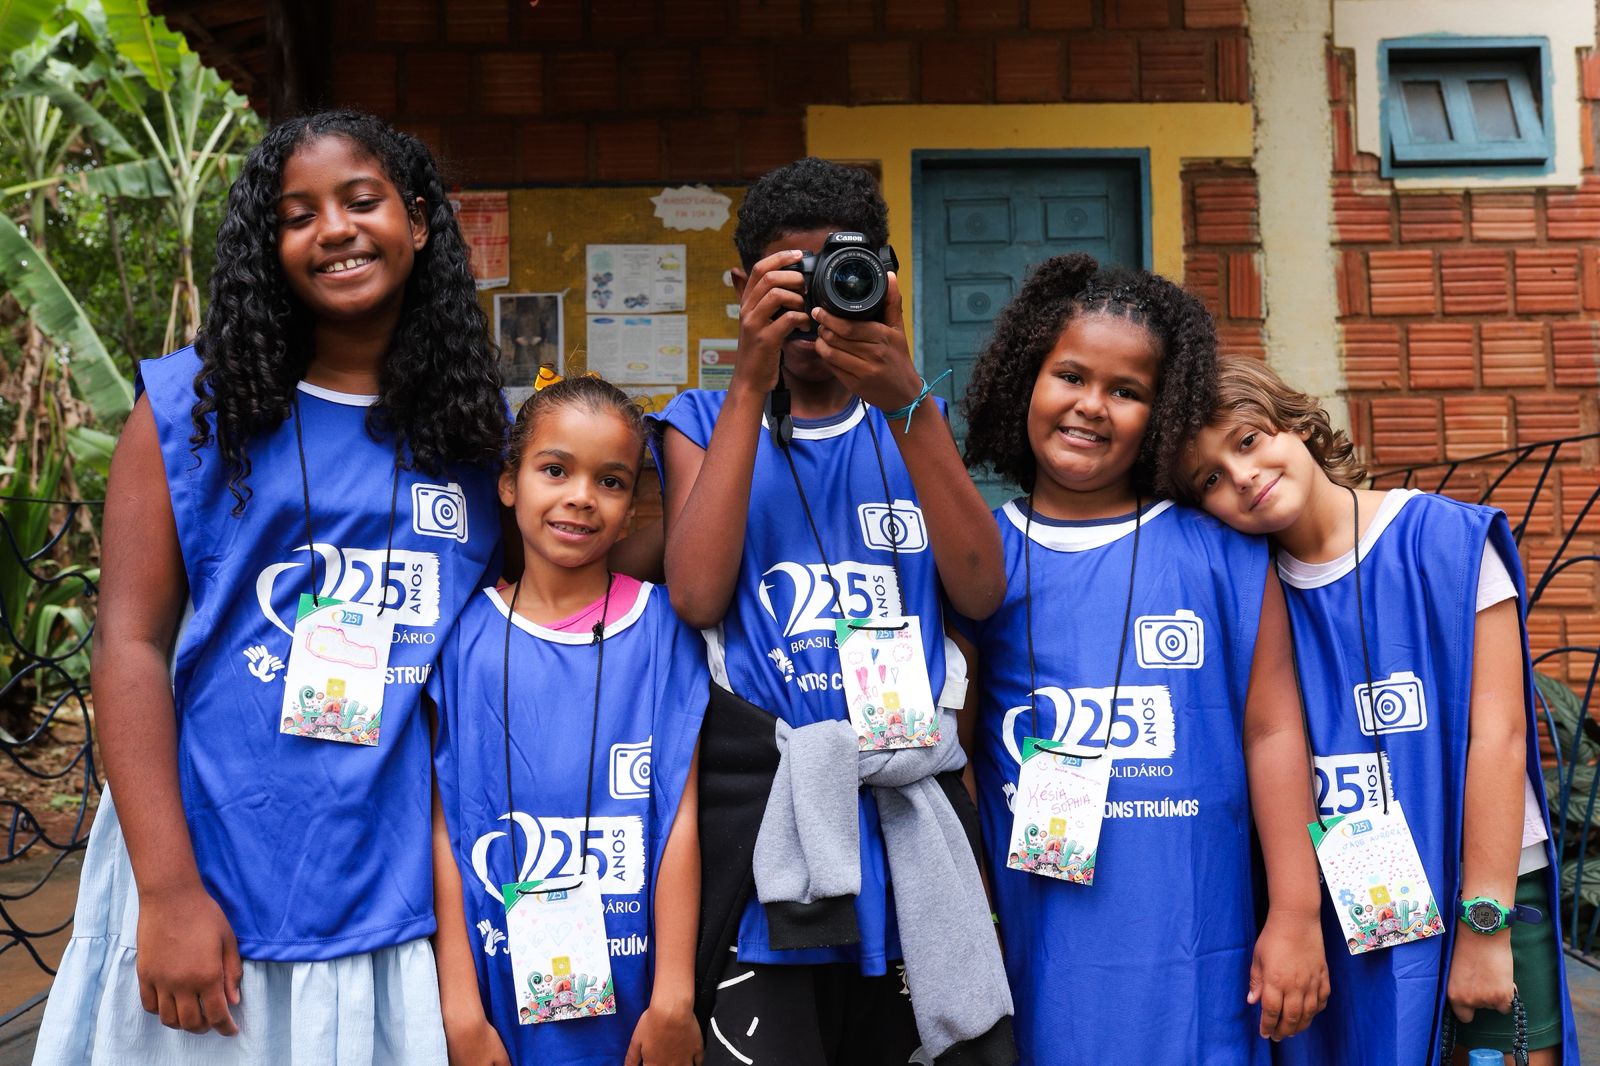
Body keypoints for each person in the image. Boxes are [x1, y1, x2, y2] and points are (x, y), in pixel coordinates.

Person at [33, 111, 507, 1065]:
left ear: (419, 222)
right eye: (298, 215)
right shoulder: (191, 412)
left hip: (390, 886)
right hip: (209, 875)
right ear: (269, 247)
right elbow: (127, 645)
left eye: (362, 201)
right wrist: (168, 893)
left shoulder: (478, 435)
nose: (334, 230)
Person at [652, 157, 1014, 1065]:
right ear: (742, 288)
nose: (817, 307)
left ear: (883, 281)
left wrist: (906, 397)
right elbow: (695, 593)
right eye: (791, 279)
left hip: (908, 817)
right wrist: (748, 382)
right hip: (775, 822)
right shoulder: (701, 419)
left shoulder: (914, 420)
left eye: (838, 275)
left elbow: (981, 590)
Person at [955, 254, 1329, 1065]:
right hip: (1039, 951)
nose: (1092, 405)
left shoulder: (1221, 551)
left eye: (1127, 391)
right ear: (1024, 380)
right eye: (1070, 376)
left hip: (1203, 956)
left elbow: (1272, 731)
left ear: (1163, 415)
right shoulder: (981, 559)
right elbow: (957, 753)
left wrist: (1296, 912)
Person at [1176, 356, 1580, 1066]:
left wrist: (1485, 926)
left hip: (1485, 890)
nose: (1240, 475)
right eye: (1209, 478)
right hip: (1337, 908)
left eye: (1248, 440)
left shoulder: (1445, 541)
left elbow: (1500, 736)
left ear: (1299, 425)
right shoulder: (1241, 595)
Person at [428, 377, 707, 1066]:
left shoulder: (663, 631)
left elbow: (679, 819)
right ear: (508, 484)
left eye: (610, 481)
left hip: (637, 1004)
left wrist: (674, 998)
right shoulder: (460, 639)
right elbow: (444, 827)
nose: (581, 496)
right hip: (498, 1000)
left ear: (632, 507)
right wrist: (460, 1010)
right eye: (555, 470)